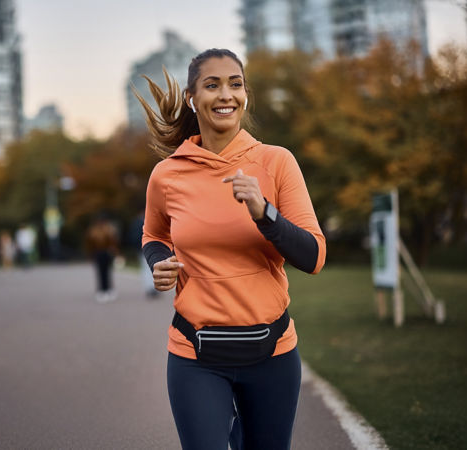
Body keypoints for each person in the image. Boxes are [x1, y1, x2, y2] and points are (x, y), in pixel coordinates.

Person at [135, 48, 326, 450]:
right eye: (213, 85)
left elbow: (313, 256)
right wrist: (159, 262)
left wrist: (265, 213)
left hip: (271, 353)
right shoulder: (167, 175)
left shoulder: (277, 163)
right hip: (196, 355)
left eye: (235, 84)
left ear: (245, 94)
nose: (226, 94)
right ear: (192, 98)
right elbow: (153, 235)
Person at [85, 213, 119, 303]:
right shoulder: (94, 231)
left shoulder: (108, 230)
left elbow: (113, 242)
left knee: (107, 272)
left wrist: (115, 253)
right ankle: (102, 290)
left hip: (106, 253)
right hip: (98, 253)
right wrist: (90, 254)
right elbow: (90, 244)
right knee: (101, 272)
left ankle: (108, 289)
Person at [131, 212, 161, 299]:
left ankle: (150, 287)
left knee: (146, 269)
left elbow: (133, 237)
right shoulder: (148, 222)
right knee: (149, 269)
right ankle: (152, 287)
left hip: (143, 248)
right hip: (148, 248)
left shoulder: (137, 223)